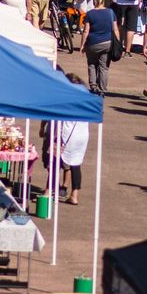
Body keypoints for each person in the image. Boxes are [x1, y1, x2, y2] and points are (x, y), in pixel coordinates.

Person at [57, 74, 90, 205]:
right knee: (76, 164)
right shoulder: (85, 98)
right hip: (83, 134)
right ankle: (74, 194)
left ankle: (54, 189)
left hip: (69, 134)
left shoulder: (66, 98)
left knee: (59, 161)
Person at [80, 0, 119, 96]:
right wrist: (118, 43)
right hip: (107, 43)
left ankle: (93, 86)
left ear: (94, 2)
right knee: (104, 67)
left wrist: (82, 45)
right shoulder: (111, 12)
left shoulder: (90, 14)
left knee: (92, 64)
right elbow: (115, 29)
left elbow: (86, 31)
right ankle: (102, 90)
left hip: (93, 44)